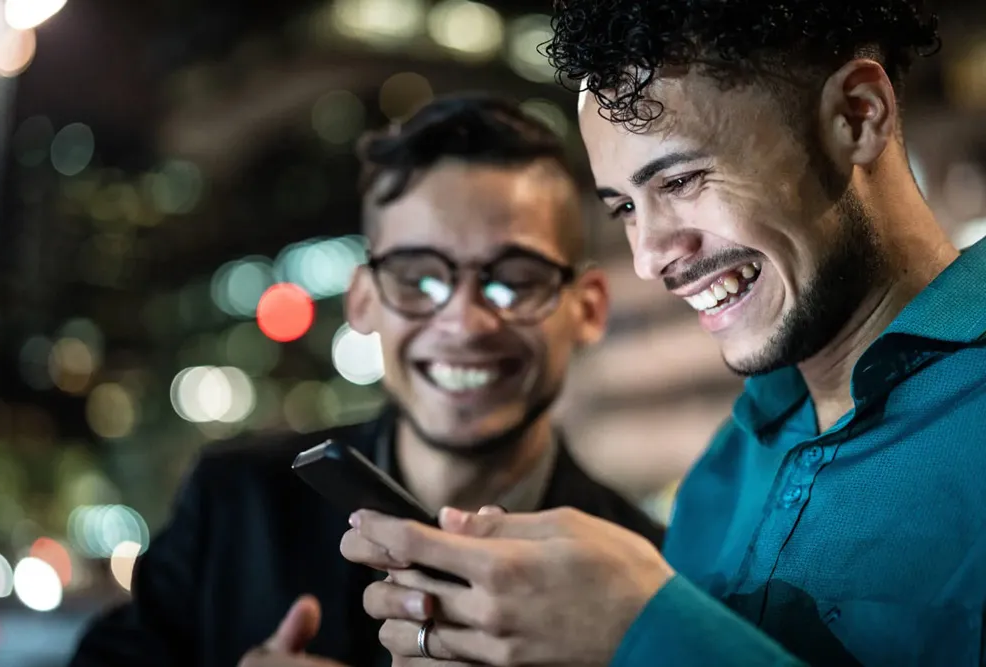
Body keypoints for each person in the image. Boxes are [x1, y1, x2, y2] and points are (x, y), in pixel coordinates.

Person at [340, 2, 986, 666]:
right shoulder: (719, 478)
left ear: (857, 115)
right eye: (623, 206)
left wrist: (644, 629)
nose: (649, 258)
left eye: (680, 180)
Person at [66, 94, 665, 667]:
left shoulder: (650, 578)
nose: (464, 321)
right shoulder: (235, 508)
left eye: (514, 279)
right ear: (362, 300)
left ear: (587, 307)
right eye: (418, 278)